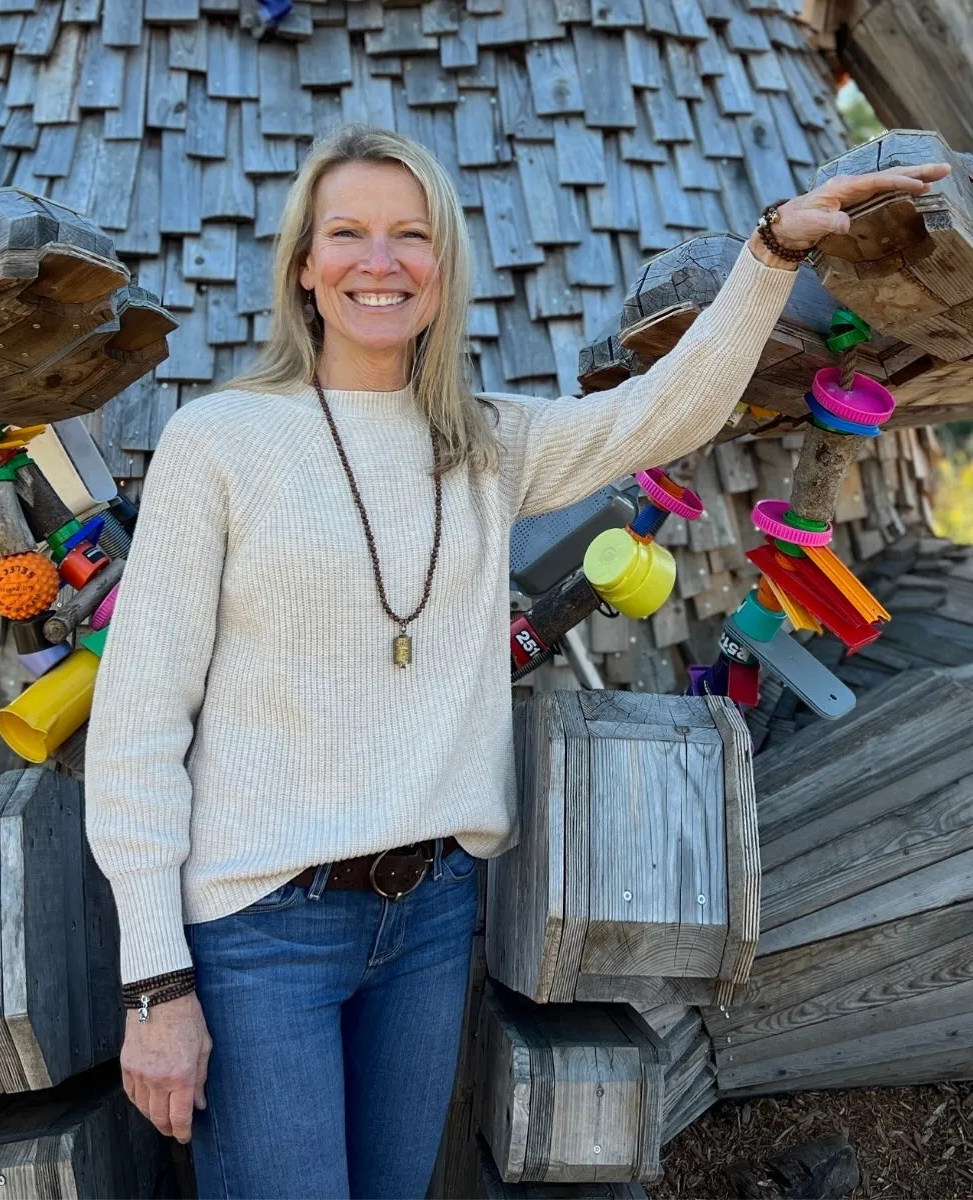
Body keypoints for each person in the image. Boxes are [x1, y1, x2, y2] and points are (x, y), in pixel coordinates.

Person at [84, 124, 946, 1199]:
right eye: (346, 233)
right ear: (304, 266)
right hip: (261, 933)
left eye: (410, 236)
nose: (380, 261)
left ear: (443, 266)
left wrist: (771, 252)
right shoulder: (219, 443)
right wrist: (155, 986)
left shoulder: (487, 443)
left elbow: (663, 411)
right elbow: (139, 721)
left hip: (432, 913)